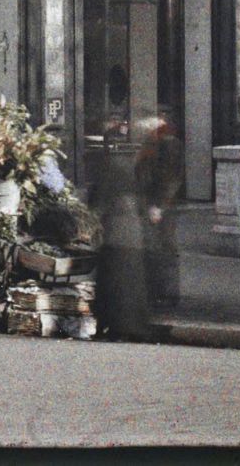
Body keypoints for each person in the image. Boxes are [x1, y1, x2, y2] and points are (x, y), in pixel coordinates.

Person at [91, 119, 151, 340]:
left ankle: (113, 324)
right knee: (132, 281)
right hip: (133, 232)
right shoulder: (133, 165)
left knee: (113, 281)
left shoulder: (109, 165)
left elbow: (98, 198)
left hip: (115, 231)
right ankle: (133, 325)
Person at [136, 112, 184, 310]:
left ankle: (166, 293)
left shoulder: (167, 144)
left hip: (159, 204)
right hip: (154, 203)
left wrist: (160, 206)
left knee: (164, 247)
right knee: (158, 248)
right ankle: (159, 291)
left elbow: (171, 177)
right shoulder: (156, 143)